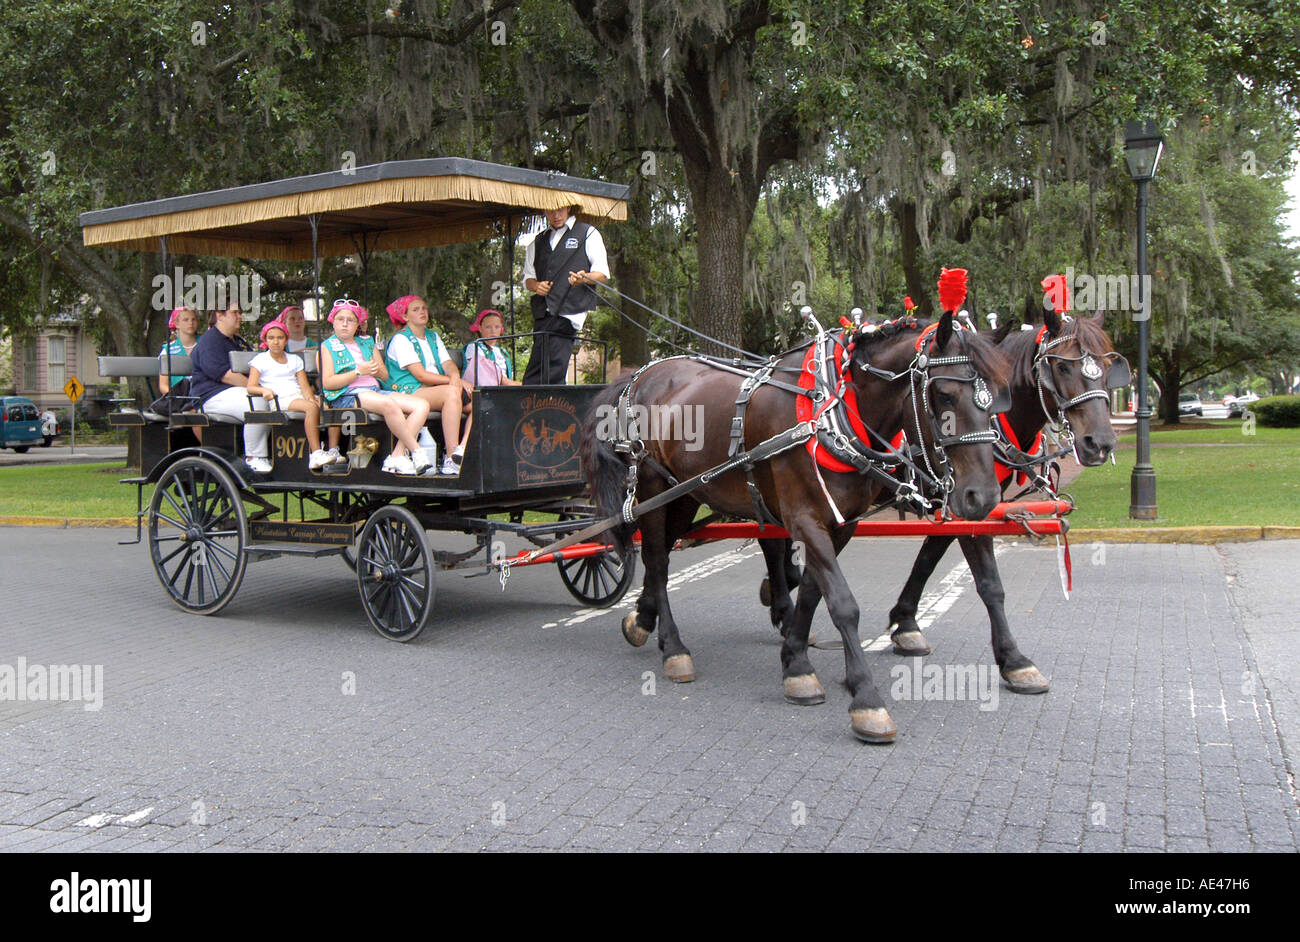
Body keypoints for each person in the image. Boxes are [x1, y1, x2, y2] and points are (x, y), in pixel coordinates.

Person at [319, 299, 434, 476]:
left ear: (357, 324)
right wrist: (358, 372)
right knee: (388, 404)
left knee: (421, 405)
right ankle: (417, 451)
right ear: (333, 321)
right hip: (347, 395)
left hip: (375, 391)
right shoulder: (326, 347)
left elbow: (385, 376)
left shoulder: (367, 343)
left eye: (350, 320)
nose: (344, 324)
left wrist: (376, 370)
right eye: (340, 319)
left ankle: (397, 454)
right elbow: (328, 382)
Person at [521, 203, 609, 385]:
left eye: (560, 209)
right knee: (537, 370)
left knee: (553, 367)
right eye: (550, 210)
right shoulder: (537, 241)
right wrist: (537, 286)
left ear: (568, 208)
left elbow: (602, 274)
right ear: (544, 210)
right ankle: (537, 405)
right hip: (543, 314)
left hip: (569, 312)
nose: (556, 214)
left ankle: (549, 406)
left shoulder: (588, 233)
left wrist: (584, 277)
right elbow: (528, 279)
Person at [383, 294, 468, 475]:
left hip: (434, 389)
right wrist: (454, 382)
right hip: (411, 391)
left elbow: (448, 364)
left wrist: (454, 374)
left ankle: (462, 448)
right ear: (405, 317)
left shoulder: (432, 336)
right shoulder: (401, 339)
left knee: (479, 397)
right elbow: (421, 375)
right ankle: (451, 457)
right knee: (452, 393)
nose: (422, 312)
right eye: (416, 309)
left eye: (424, 308)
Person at [247, 316, 346, 471]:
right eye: (271, 338)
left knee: (329, 406)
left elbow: (304, 386)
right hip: (279, 399)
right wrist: (263, 390)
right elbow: (251, 387)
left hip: (297, 395)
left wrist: (311, 398)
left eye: (280, 338)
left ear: (286, 340)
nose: (275, 341)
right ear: (265, 340)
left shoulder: (294, 360)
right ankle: (315, 454)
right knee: (311, 408)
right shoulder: (260, 360)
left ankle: (333, 449)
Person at [190, 302, 272, 471]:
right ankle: (254, 457)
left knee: (272, 402)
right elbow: (226, 375)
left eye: (240, 312)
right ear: (219, 315)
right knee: (258, 404)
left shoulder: (239, 342)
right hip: (212, 396)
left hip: (236, 393)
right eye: (235, 312)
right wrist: (257, 388)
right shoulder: (210, 342)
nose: (240, 316)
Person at [463, 309, 521, 387]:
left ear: (501, 329)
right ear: (480, 328)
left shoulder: (502, 351)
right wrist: (512, 384)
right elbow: (484, 373)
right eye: (488, 327)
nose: (493, 331)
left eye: (497, 327)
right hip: (485, 391)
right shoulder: (475, 347)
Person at [158, 306, 199, 395]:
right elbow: (163, 385)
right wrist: (176, 398)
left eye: (193, 319)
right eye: (186, 320)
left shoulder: (205, 345)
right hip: (177, 397)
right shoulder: (168, 350)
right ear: (177, 324)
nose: (190, 323)